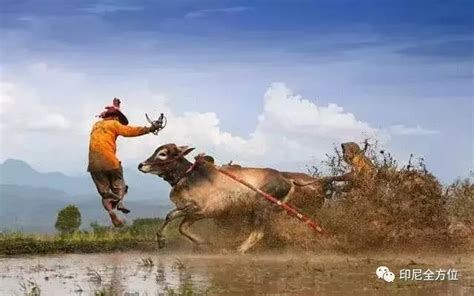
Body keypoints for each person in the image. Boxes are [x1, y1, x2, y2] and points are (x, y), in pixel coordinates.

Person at [88, 98, 159, 227]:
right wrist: (150, 128)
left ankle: (111, 212)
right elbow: (130, 131)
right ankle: (120, 202)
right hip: (110, 161)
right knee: (119, 185)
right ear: (116, 117)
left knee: (105, 194)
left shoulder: (96, 125)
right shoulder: (114, 124)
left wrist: (116, 105)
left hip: (93, 165)